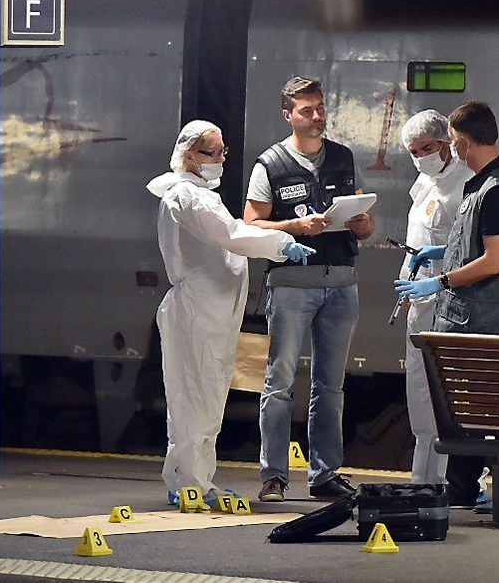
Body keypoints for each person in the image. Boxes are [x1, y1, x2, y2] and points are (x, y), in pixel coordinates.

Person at [147, 120, 314, 506]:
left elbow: (230, 233)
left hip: (214, 314)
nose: (221, 159)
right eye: (212, 152)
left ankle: (199, 481)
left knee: (209, 395)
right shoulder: (188, 197)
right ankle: (185, 483)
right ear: (188, 155)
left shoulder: (202, 194)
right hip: (197, 313)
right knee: (195, 397)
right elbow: (233, 235)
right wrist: (282, 242)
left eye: (223, 151)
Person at [394, 101, 499, 512]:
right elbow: (477, 244)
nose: (452, 151)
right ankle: (459, 490)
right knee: (471, 407)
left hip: (487, 319)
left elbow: (494, 260)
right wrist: (436, 252)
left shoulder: (492, 191)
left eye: (453, 142)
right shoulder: (492, 183)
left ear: (464, 140)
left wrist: (436, 281)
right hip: (484, 319)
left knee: (489, 409)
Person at [244, 76, 375, 502]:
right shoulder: (270, 164)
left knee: (330, 384)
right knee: (280, 382)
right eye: (307, 110)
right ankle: (274, 477)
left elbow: (364, 223)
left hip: (341, 281)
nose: (317, 117)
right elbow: (249, 225)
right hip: (290, 285)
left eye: (320, 108)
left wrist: (363, 224)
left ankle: (324, 474)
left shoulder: (342, 157)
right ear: (288, 114)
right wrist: (293, 227)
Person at [397, 110, 471, 486]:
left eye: (427, 148)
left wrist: (436, 262)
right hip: (421, 299)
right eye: (414, 151)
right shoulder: (425, 182)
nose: (421, 157)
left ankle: (455, 479)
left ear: (446, 143)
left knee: (449, 390)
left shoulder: (467, 183)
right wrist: (407, 272)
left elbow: (471, 247)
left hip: (449, 299)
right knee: (419, 388)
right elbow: (416, 237)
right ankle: (423, 478)